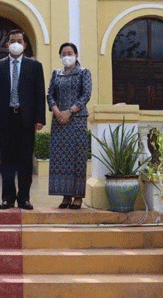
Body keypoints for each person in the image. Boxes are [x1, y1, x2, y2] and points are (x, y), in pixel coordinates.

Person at [0, 29, 45, 210]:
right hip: (5, 118)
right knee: (7, 161)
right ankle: (7, 198)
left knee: (25, 160)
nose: (16, 44)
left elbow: (39, 93)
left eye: (19, 40)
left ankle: (24, 198)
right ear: (7, 44)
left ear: (25, 44)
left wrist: (40, 118)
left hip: (26, 119)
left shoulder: (35, 66)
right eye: (12, 40)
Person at [47, 43, 92, 210]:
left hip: (77, 119)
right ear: (60, 56)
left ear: (76, 55)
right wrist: (57, 111)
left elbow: (86, 94)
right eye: (64, 53)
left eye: (70, 53)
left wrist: (70, 111)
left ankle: (78, 197)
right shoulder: (56, 74)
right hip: (59, 120)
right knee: (61, 159)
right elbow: (50, 95)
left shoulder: (84, 72)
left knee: (77, 158)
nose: (67, 56)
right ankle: (65, 196)